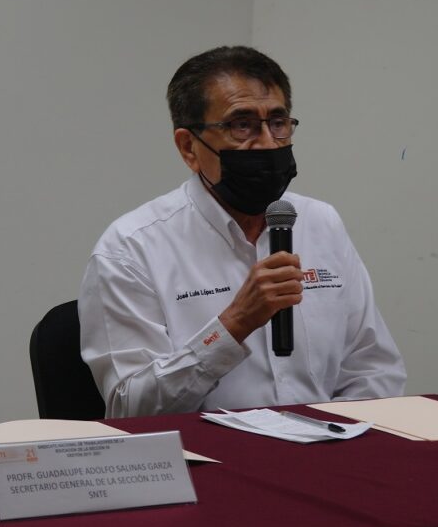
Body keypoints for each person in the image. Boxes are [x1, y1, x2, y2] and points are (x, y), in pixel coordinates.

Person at [79, 45, 405, 418]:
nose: (266, 142)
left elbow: (375, 370)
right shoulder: (131, 248)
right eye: (242, 125)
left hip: (325, 443)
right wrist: (234, 324)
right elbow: (130, 410)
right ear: (189, 147)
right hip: (205, 452)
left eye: (278, 122)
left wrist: (335, 433)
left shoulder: (321, 222)